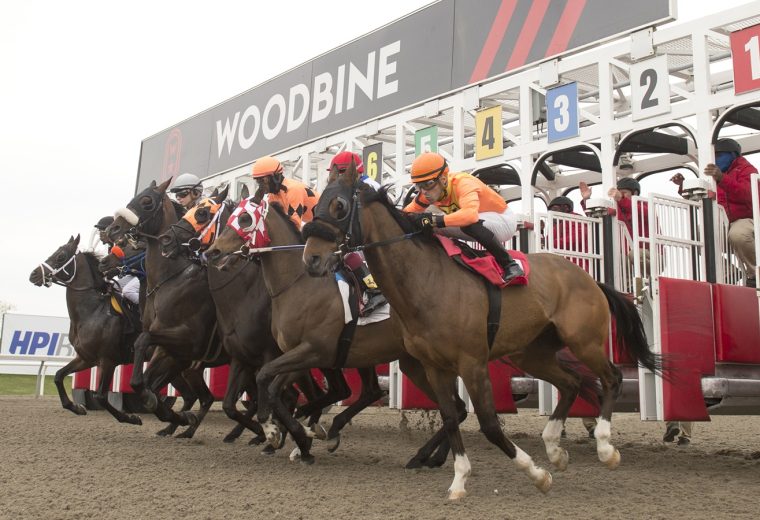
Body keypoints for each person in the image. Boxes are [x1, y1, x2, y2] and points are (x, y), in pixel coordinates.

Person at [403, 152, 524, 284]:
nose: (424, 191)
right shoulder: (426, 194)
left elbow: (470, 216)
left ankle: (510, 265)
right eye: (418, 186)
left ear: (443, 179)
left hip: (503, 221)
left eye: (428, 184)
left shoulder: (463, 183)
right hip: (478, 223)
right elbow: (404, 215)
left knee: (464, 223)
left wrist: (433, 219)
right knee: (425, 225)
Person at [673, 138, 757, 287]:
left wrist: (722, 179)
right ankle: (728, 271)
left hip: (747, 219)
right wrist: (683, 186)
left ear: (733, 155)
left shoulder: (747, 170)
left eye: (719, 155)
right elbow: (701, 198)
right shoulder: (715, 176)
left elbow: (747, 195)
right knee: (700, 233)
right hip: (726, 222)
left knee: (738, 234)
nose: (716, 159)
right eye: (714, 156)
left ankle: (755, 274)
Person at [328, 151, 386, 314]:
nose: (337, 178)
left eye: (340, 173)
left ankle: (375, 290)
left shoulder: (370, 186)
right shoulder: (347, 188)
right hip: (359, 234)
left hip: (376, 235)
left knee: (349, 254)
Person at [252, 156, 319, 228]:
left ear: (275, 177)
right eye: (258, 181)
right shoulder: (273, 195)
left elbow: (295, 224)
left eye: (263, 180)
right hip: (316, 223)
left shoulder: (293, 190)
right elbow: (274, 220)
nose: (261, 185)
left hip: (329, 220)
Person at [94, 216, 140, 306]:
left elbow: (133, 262)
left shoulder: (125, 242)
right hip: (133, 274)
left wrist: (118, 270)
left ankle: (149, 310)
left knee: (128, 291)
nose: (99, 234)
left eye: (101, 230)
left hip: (142, 273)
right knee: (115, 287)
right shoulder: (111, 247)